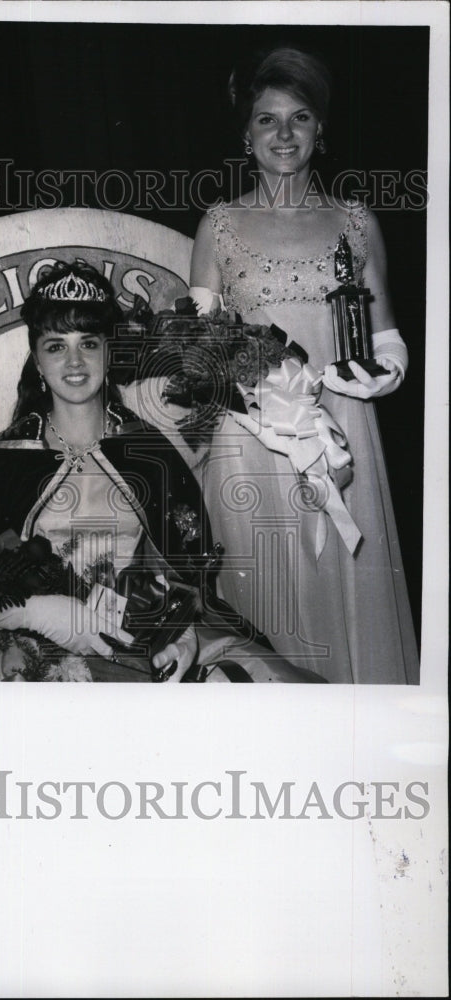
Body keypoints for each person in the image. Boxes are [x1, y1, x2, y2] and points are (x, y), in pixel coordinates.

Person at [0, 261, 325, 683]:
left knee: (273, 687)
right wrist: (31, 612)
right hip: (32, 651)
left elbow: (188, 572)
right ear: (37, 363)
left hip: (138, 641)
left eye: (89, 343)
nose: (74, 362)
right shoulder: (7, 462)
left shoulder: (148, 454)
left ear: (108, 351)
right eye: (57, 346)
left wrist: (181, 634)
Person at [189, 47, 419, 683]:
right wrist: (247, 392)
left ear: (322, 131)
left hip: (342, 429)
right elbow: (199, 351)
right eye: (267, 120)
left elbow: (389, 339)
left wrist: (381, 375)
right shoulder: (220, 224)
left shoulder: (357, 221)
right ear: (246, 133)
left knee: (346, 592)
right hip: (253, 440)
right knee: (264, 601)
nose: (283, 135)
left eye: (300, 119)